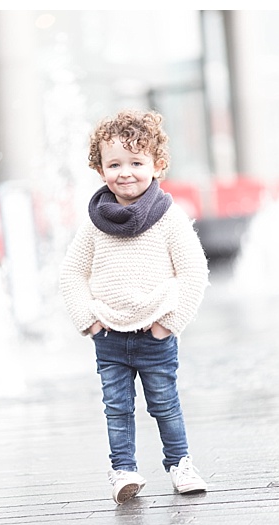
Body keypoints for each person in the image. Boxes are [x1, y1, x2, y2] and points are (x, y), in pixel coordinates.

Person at [60, 109, 209, 504]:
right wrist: (89, 322)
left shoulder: (169, 219)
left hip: (154, 334)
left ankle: (180, 464)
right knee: (117, 407)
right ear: (100, 168)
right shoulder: (96, 223)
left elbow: (194, 272)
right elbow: (72, 272)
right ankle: (123, 470)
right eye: (114, 164)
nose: (125, 172)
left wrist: (168, 324)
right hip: (109, 335)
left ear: (157, 166)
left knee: (164, 403)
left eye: (136, 163)